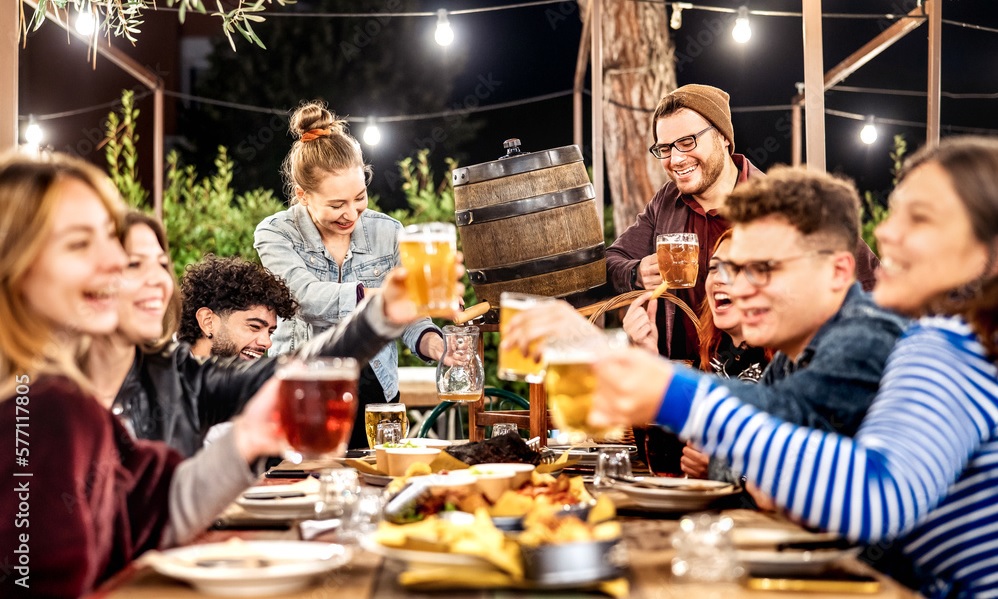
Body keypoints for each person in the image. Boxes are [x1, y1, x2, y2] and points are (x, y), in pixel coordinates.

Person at [587, 138, 998, 597]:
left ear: (986, 249)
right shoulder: (951, 343)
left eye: (919, 218)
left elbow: (874, 494)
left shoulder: (943, 348)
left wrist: (669, 390)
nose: (885, 233)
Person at [0, 153, 285, 598]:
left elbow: (144, 507)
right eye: (79, 243)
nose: (114, 261)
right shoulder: (44, 410)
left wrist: (248, 439)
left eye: (109, 240)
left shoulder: (66, 405)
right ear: (13, 265)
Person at [510, 166, 905, 471]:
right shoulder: (790, 357)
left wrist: (616, 360)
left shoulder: (866, 338)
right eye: (731, 268)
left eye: (764, 267)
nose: (741, 288)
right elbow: (761, 441)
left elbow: (790, 439)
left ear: (837, 272)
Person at [84, 211, 453, 457]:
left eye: (162, 264)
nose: (156, 279)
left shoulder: (180, 374)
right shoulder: (47, 397)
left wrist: (383, 312)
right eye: (134, 263)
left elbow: (295, 371)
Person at [605, 83, 880, 362]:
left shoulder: (778, 201)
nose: (675, 159)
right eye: (665, 148)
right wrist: (636, 273)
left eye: (687, 142)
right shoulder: (666, 201)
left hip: (760, 379)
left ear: (723, 136)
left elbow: (870, 279)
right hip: (684, 381)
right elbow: (611, 261)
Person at [256, 101, 444, 448]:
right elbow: (304, 297)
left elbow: (409, 317)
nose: (351, 213)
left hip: (376, 393)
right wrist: (387, 298)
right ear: (303, 196)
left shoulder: (388, 233)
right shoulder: (275, 234)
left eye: (360, 197)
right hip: (303, 390)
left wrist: (435, 343)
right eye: (336, 205)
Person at [624, 228, 771, 479]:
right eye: (714, 268)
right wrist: (649, 357)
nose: (719, 278)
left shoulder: (789, 364)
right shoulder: (712, 362)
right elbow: (660, 450)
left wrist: (717, 470)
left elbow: (795, 472)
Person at [179, 254, 298, 361]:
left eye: (270, 332)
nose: (267, 343)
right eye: (254, 327)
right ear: (208, 321)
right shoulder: (166, 378)